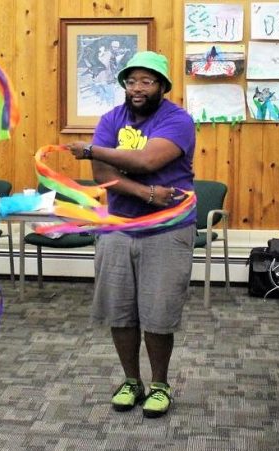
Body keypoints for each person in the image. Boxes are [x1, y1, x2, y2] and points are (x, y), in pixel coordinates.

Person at [66, 51, 196, 418]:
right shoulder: (111, 119)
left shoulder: (178, 120)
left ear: (163, 86)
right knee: (120, 311)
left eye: (147, 81)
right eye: (131, 80)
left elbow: (146, 161)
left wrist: (93, 149)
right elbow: (101, 175)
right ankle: (130, 381)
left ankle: (159, 384)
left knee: (158, 312)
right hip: (119, 228)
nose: (137, 88)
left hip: (167, 230)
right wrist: (145, 194)